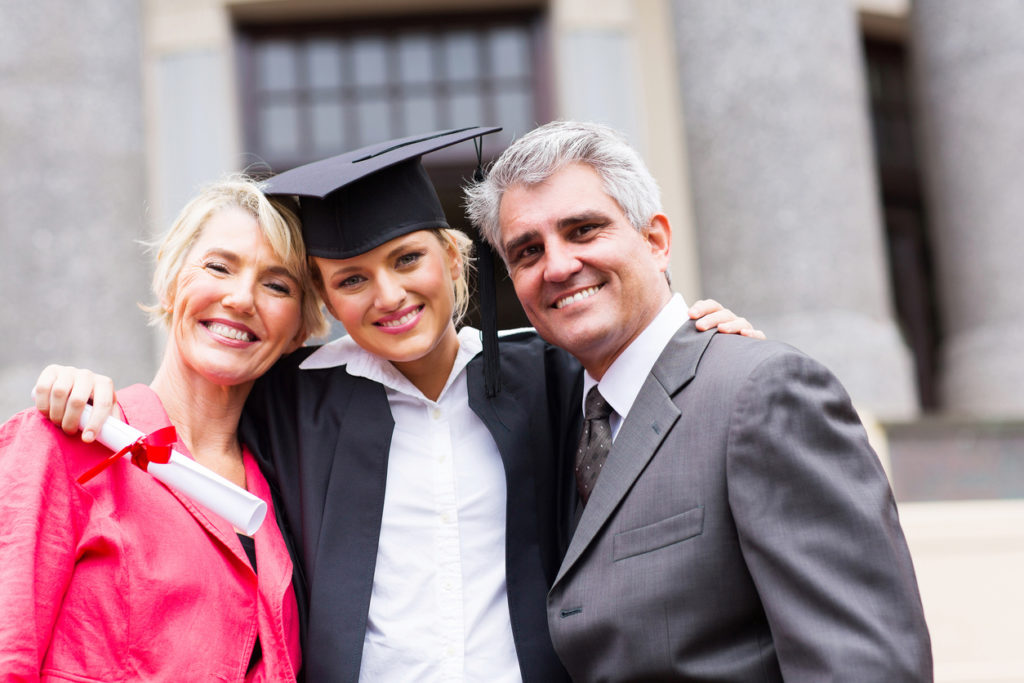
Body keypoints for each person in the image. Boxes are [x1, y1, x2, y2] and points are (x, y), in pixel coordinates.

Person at [31, 128, 761, 682]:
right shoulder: (294, 403)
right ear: (327, 302)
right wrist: (81, 384)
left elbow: (649, 386)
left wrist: (697, 341)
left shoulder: (552, 378)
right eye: (350, 279)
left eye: (408, 260)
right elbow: (197, 388)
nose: (388, 296)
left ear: (451, 258)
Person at [463, 119, 933, 681]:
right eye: (527, 251)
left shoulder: (760, 392)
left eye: (584, 230)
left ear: (656, 240)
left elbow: (860, 663)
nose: (558, 266)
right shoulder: (557, 417)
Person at [0, 177, 328, 680]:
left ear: (298, 330)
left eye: (276, 285)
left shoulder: (287, 493)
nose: (242, 298)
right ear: (173, 281)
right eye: (219, 266)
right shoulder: (69, 442)